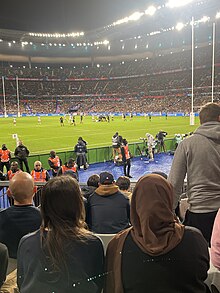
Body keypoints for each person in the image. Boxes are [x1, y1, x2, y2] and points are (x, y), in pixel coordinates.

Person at [104, 174, 210, 293]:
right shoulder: (194, 238)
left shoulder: (117, 244)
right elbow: (202, 274)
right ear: (168, 199)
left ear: (135, 202)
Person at [17, 176, 104, 293]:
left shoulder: (26, 242)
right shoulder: (92, 243)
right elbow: (99, 285)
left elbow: (21, 283)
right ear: (78, 205)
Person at [168, 102, 220, 245]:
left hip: (199, 213)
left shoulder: (187, 144)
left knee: (199, 261)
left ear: (201, 120)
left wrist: (170, 213)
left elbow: (174, 184)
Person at [0, 172, 41, 258]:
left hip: (8, 266)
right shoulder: (45, 218)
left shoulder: (2, 217)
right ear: (35, 190)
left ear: (9, 193)